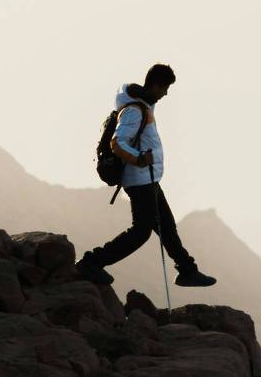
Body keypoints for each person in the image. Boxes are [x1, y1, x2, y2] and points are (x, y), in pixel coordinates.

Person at [79, 62, 216, 288]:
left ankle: (187, 271)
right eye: (164, 88)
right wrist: (140, 158)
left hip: (147, 179)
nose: (165, 94)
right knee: (141, 231)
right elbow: (118, 142)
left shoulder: (144, 105)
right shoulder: (135, 111)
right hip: (139, 179)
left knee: (167, 227)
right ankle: (91, 263)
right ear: (155, 85)